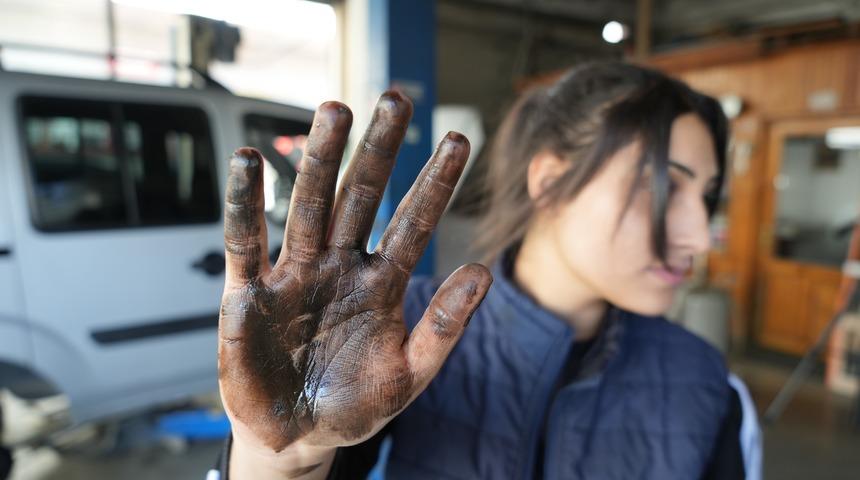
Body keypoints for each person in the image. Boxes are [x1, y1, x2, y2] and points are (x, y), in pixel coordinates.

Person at [209, 61, 762, 480]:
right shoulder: (398, 332)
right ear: (550, 182)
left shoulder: (706, 383)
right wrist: (282, 460)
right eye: (662, 188)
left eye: (706, 196)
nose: (696, 237)